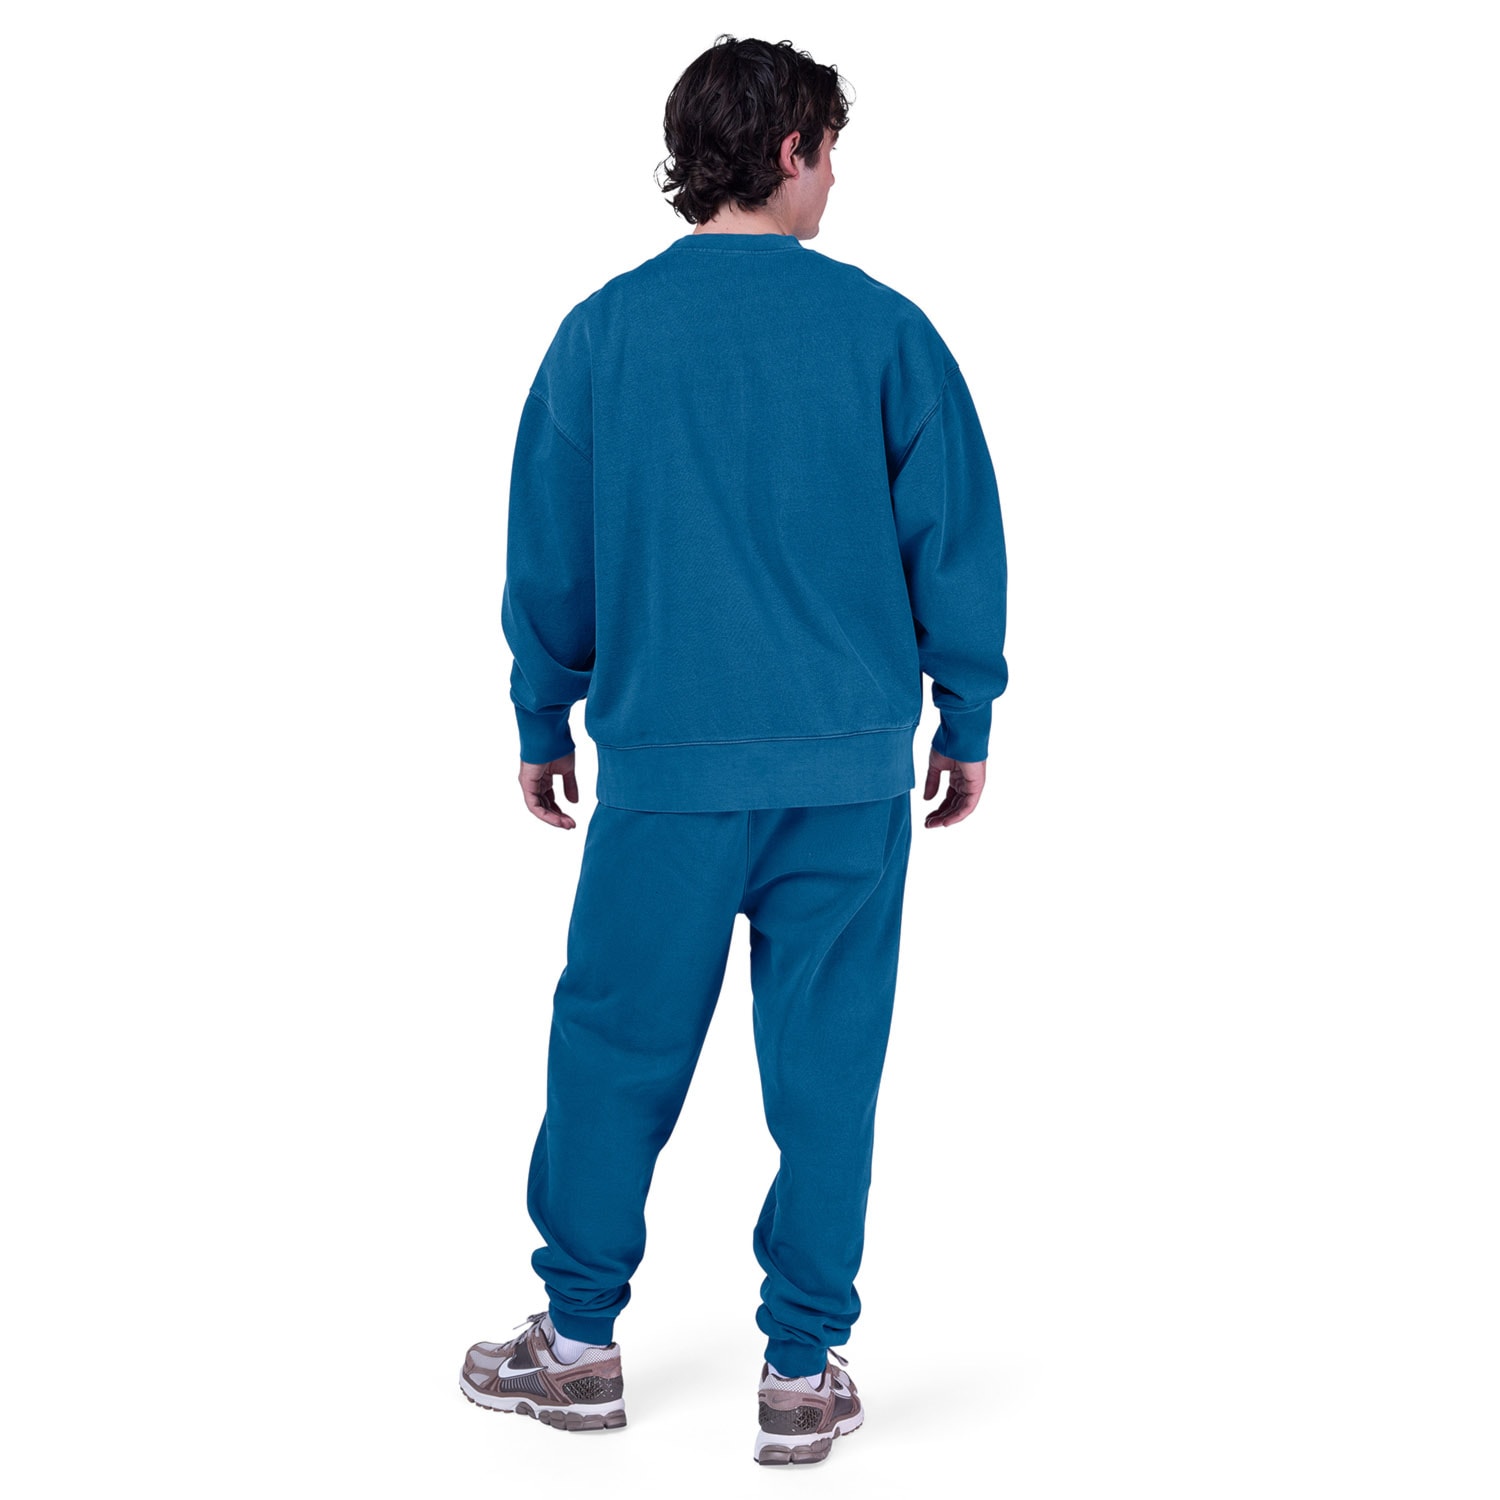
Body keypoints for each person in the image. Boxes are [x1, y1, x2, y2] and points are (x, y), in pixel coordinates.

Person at [460, 34, 1009, 1466]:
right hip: (845, 776)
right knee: (828, 1069)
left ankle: (579, 1344)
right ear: (788, 149)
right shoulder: (885, 332)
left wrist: (542, 712)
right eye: (830, 152)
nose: (835, 182)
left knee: (612, 1051)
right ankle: (802, 1369)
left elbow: (550, 550)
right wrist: (966, 715)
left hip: (666, 774)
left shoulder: (603, 335)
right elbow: (954, 533)